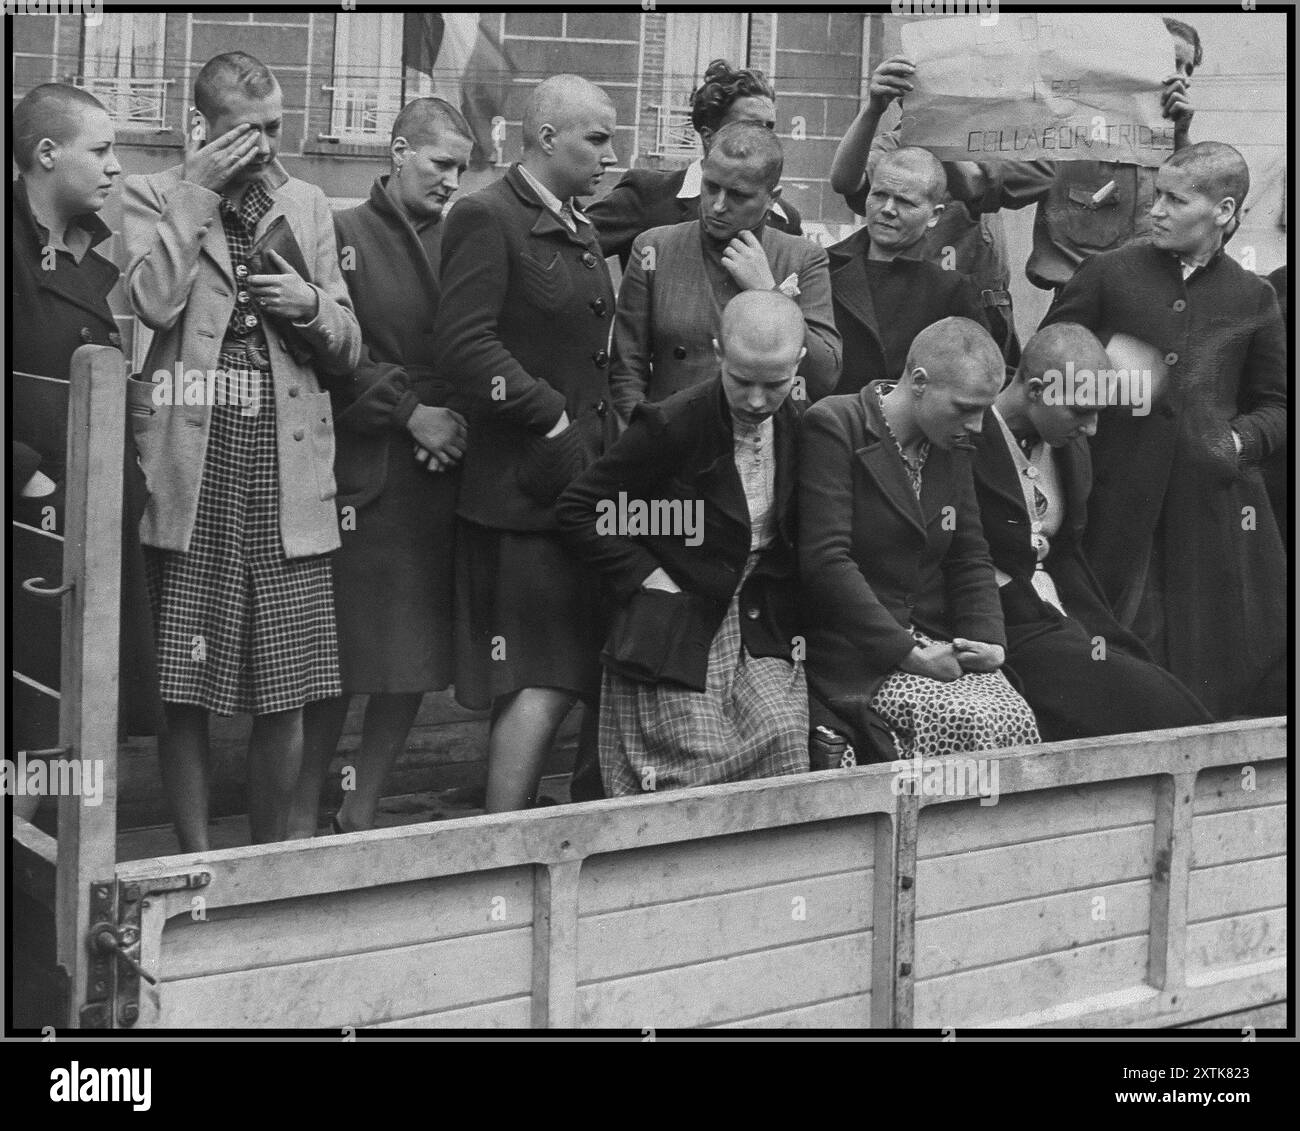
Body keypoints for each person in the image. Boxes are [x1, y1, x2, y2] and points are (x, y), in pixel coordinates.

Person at [123, 52, 361, 850]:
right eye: (244, 133)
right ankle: (194, 858)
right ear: (202, 127)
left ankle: (260, 863)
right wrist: (194, 193)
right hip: (194, 465)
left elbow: (351, 348)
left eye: (274, 129)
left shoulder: (307, 202)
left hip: (288, 464)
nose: (263, 147)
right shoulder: (153, 195)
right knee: (182, 688)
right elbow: (147, 305)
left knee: (287, 687)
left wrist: (314, 305)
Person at [1042, 141, 1286, 718]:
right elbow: (1045, 368)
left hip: (1211, 522)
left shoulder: (1254, 297)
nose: (1155, 211)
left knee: (1212, 673)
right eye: (1157, 197)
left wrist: (1237, 441)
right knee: (1112, 663)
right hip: (1110, 505)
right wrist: (1105, 387)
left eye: (1176, 201)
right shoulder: (1107, 273)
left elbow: (1277, 405)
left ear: (1224, 213)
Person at [432, 74, 618, 813]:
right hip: (522, 493)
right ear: (547, 139)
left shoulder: (578, 223)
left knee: (558, 670)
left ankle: (509, 839)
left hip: (574, 487)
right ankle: (501, 844)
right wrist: (550, 418)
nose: (611, 154)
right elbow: (462, 344)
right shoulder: (486, 216)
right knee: (545, 673)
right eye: (597, 138)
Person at [289, 99, 475, 837]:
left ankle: (360, 805)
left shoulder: (466, 236)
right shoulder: (341, 231)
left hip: (444, 466)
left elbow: (479, 337)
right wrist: (409, 413)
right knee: (343, 655)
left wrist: (452, 419)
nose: (452, 181)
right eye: (439, 165)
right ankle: (301, 807)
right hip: (367, 471)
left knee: (412, 661)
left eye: (462, 168)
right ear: (398, 153)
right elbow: (332, 351)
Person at [557, 291, 809, 795]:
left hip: (757, 616)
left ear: (798, 364)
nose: (757, 400)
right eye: (741, 381)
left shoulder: (800, 426)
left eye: (775, 384)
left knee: (783, 735)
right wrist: (648, 575)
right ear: (718, 352)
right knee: (692, 754)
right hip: (678, 616)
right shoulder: (674, 423)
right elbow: (581, 509)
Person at [799, 318, 1039, 762]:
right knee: (966, 718)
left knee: (1014, 714)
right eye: (966, 407)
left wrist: (988, 639)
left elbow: (969, 553)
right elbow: (826, 562)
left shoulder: (951, 444)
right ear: (919, 382)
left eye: (985, 409)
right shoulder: (836, 426)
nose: (979, 425)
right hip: (859, 652)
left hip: (937, 642)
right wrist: (909, 655)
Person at [11, 83, 162, 748]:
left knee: (69, 719)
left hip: (92, 523)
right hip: (33, 528)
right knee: (37, 716)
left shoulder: (83, 257)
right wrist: (30, 480)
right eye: (99, 150)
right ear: (47, 153)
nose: (116, 166)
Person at [971, 324, 1212, 740]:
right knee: (1151, 704)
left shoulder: (1065, 444)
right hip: (1008, 622)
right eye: (1081, 411)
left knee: (1161, 689)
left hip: (1070, 610)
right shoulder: (967, 438)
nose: (1093, 428)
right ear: (1035, 390)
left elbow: (1066, 551)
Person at [903, 17, 1199, 295]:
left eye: (1188, 69)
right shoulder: (1066, 139)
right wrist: (932, 125)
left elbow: (1209, 222)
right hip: (1081, 312)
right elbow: (978, 184)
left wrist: (1180, 136)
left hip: (1160, 310)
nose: (1181, 78)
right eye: (1172, 63)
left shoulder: (1185, 156)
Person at [609, 122, 840, 421]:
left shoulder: (804, 258)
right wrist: (641, 440)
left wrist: (769, 295)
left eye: (738, 195)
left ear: (772, 197)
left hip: (764, 439)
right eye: (711, 187)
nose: (718, 206)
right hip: (672, 438)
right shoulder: (654, 248)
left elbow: (824, 376)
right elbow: (627, 372)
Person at [830, 57, 1052, 365]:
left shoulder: (988, 141)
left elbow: (1016, 178)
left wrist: (936, 133)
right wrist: (872, 108)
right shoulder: (894, 147)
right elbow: (844, 181)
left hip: (979, 311)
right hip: (908, 308)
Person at [587, 58, 802, 268]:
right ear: (709, 137)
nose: (762, 137)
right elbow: (571, 248)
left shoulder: (785, 218)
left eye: (769, 127)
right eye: (749, 126)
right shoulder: (648, 194)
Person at [825, 146, 987, 396]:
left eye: (904, 201)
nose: (887, 209)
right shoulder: (823, 266)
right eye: (879, 195)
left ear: (934, 215)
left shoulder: (951, 290)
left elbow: (974, 377)